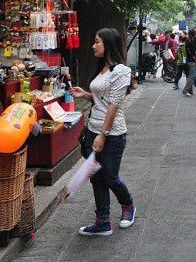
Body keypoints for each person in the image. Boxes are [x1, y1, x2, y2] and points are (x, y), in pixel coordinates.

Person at [70, 28, 136, 236]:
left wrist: (103, 134)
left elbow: (113, 106)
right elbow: (101, 100)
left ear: (108, 44)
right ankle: (102, 221)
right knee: (96, 177)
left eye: (97, 41)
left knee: (110, 176)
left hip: (112, 134)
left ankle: (128, 205)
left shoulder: (121, 71)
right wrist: (86, 95)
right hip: (93, 130)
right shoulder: (103, 69)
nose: (93, 46)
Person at [182, 29, 196, 97]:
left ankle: (190, 91)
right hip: (191, 61)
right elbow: (193, 52)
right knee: (191, 76)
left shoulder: (187, 41)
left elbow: (186, 52)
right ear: (193, 35)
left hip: (187, 61)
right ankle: (185, 90)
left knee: (189, 76)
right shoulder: (191, 42)